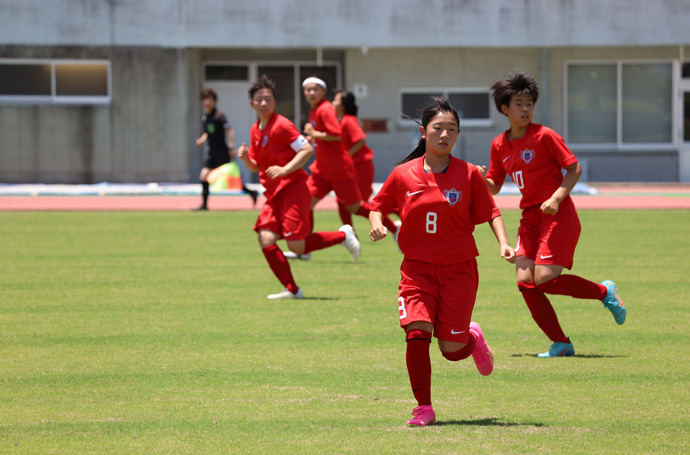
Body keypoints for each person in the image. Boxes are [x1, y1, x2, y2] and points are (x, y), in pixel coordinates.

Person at [369, 96, 515, 427]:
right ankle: (423, 408)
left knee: (451, 349)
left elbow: (491, 212)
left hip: (459, 270)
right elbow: (377, 204)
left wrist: (505, 244)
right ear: (423, 132)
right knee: (416, 334)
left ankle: (473, 339)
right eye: (438, 128)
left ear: (458, 135)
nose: (444, 135)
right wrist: (377, 225)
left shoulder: (469, 174)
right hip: (417, 270)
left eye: (452, 129)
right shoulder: (402, 174)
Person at [477, 71, 626, 358]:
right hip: (529, 219)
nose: (525, 109)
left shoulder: (544, 136)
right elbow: (494, 186)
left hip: (558, 214)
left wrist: (557, 198)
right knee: (525, 282)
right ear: (504, 108)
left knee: (544, 278)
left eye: (530, 103)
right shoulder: (499, 144)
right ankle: (561, 343)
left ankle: (604, 292)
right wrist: (481, 177)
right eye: (519, 103)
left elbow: (574, 169)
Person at [237, 75, 361, 300]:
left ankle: (342, 236)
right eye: (259, 99)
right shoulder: (255, 130)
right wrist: (246, 158)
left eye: (267, 99)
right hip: (274, 194)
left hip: (293, 189)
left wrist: (285, 170)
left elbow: (306, 150)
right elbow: (256, 166)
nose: (263, 103)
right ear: (251, 104)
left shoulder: (282, 124)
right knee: (266, 238)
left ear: (274, 103)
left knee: (297, 247)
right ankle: (293, 290)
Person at [301, 77, 399, 246]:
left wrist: (316, 134)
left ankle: (395, 229)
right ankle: (305, 244)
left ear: (323, 91)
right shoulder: (315, 110)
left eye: (315, 89)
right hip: (322, 169)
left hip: (343, 168)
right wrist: (311, 137)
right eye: (308, 89)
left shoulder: (327, 110)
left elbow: (345, 136)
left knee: (356, 207)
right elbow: (326, 136)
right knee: (306, 203)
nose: (311, 92)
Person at [332, 90, 402, 236]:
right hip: (352, 168)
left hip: (361, 166)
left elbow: (361, 139)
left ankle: (394, 228)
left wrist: (346, 156)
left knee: (356, 205)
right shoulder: (342, 120)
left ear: (344, 105)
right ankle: (351, 234)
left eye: (336, 100)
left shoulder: (348, 120)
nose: (333, 103)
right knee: (343, 201)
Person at [195, 88, 258, 210]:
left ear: (214, 101)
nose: (206, 102)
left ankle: (251, 192)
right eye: (204, 99)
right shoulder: (205, 117)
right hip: (212, 152)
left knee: (231, 179)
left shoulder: (219, 115)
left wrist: (230, 146)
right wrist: (202, 139)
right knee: (204, 176)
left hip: (222, 152)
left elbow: (229, 130)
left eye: (209, 99)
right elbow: (207, 132)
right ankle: (204, 205)